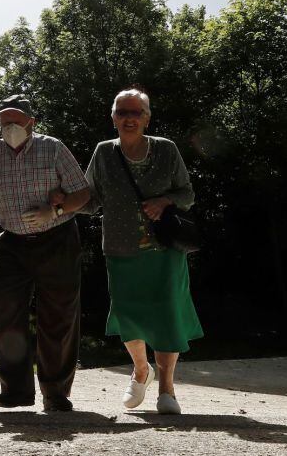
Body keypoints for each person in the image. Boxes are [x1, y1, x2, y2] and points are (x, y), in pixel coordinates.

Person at [84, 88, 202, 415]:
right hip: (121, 249)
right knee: (127, 315)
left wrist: (165, 201)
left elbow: (187, 193)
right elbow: (91, 200)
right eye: (122, 112)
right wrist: (58, 204)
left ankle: (167, 389)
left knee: (166, 314)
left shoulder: (166, 149)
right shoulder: (104, 153)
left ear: (146, 117)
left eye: (136, 112)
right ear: (113, 119)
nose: (129, 118)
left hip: (165, 249)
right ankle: (140, 370)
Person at [0, 94, 91, 412]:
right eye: (4, 121)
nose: (9, 126)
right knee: (4, 311)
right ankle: (16, 391)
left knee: (59, 317)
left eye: (16, 120)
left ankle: (55, 392)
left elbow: (82, 192)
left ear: (31, 123)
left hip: (58, 238)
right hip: (11, 243)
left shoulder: (53, 147)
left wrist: (56, 210)